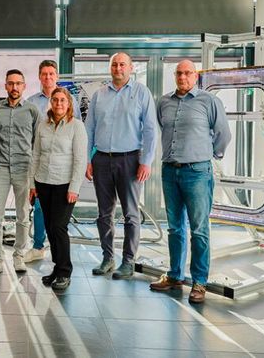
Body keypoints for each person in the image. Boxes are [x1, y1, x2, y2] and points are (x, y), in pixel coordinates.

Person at [149, 59, 231, 303]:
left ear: (196, 76)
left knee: (199, 229)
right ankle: (175, 275)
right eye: (179, 73)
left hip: (197, 172)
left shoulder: (209, 101)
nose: (183, 77)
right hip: (169, 171)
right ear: (174, 75)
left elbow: (223, 135)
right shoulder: (163, 102)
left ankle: (199, 282)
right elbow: (162, 126)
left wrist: (209, 155)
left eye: (187, 73)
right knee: (174, 227)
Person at [85, 52, 158, 279]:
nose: (118, 68)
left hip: (130, 159)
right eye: (114, 65)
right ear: (110, 68)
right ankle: (108, 258)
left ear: (131, 67)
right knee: (104, 213)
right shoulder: (99, 95)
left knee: (130, 213)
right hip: (102, 160)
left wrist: (146, 161)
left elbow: (150, 130)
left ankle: (128, 261)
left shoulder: (141, 93)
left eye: (122, 65)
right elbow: (89, 128)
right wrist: (88, 159)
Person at [29, 87, 87, 290]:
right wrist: (32, 185)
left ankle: (65, 272)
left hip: (64, 186)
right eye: (55, 100)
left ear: (69, 103)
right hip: (43, 183)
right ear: (50, 103)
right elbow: (35, 155)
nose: (59, 104)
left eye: (63, 100)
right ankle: (57, 267)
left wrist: (74, 188)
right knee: (50, 229)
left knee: (59, 228)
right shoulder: (43, 126)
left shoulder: (76, 126)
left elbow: (80, 160)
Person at [0, 69, 41, 278]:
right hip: (0, 167)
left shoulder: (32, 111)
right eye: (11, 83)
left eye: (18, 83)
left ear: (24, 86)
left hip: (24, 169)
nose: (14, 87)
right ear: (5, 85)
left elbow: (38, 142)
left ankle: (18, 255)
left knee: (23, 216)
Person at [25, 60, 81, 264]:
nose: (48, 77)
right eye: (44, 74)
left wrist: (74, 183)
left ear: (57, 77)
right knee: (40, 210)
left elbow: (77, 139)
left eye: (51, 74)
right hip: (40, 167)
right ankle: (38, 246)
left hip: (63, 174)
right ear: (40, 77)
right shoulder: (31, 102)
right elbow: (31, 137)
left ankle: (60, 260)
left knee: (58, 225)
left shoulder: (70, 103)